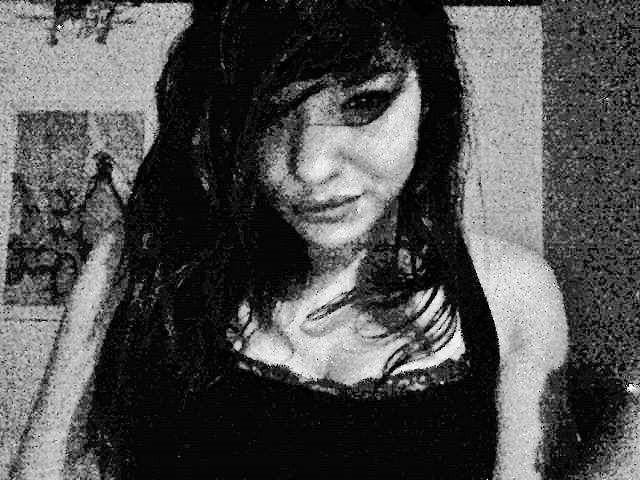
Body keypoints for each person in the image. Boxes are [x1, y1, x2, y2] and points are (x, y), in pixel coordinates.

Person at [10, 1, 573, 479]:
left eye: (363, 103)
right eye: (269, 112)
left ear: (431, 97)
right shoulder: (132, 264)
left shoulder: (513, 294)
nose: (310, 167)